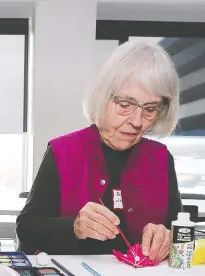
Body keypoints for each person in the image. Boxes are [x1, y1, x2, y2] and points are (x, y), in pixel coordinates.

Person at [16, 41, 182, 261]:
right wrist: (73, 227)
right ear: (103, 98)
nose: (137, 121)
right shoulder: (62, 151)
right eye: (125, 104)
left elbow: (180, 228)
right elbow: (26, 228)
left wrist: (167, 236)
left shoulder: (161, 158)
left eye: (150, 109)